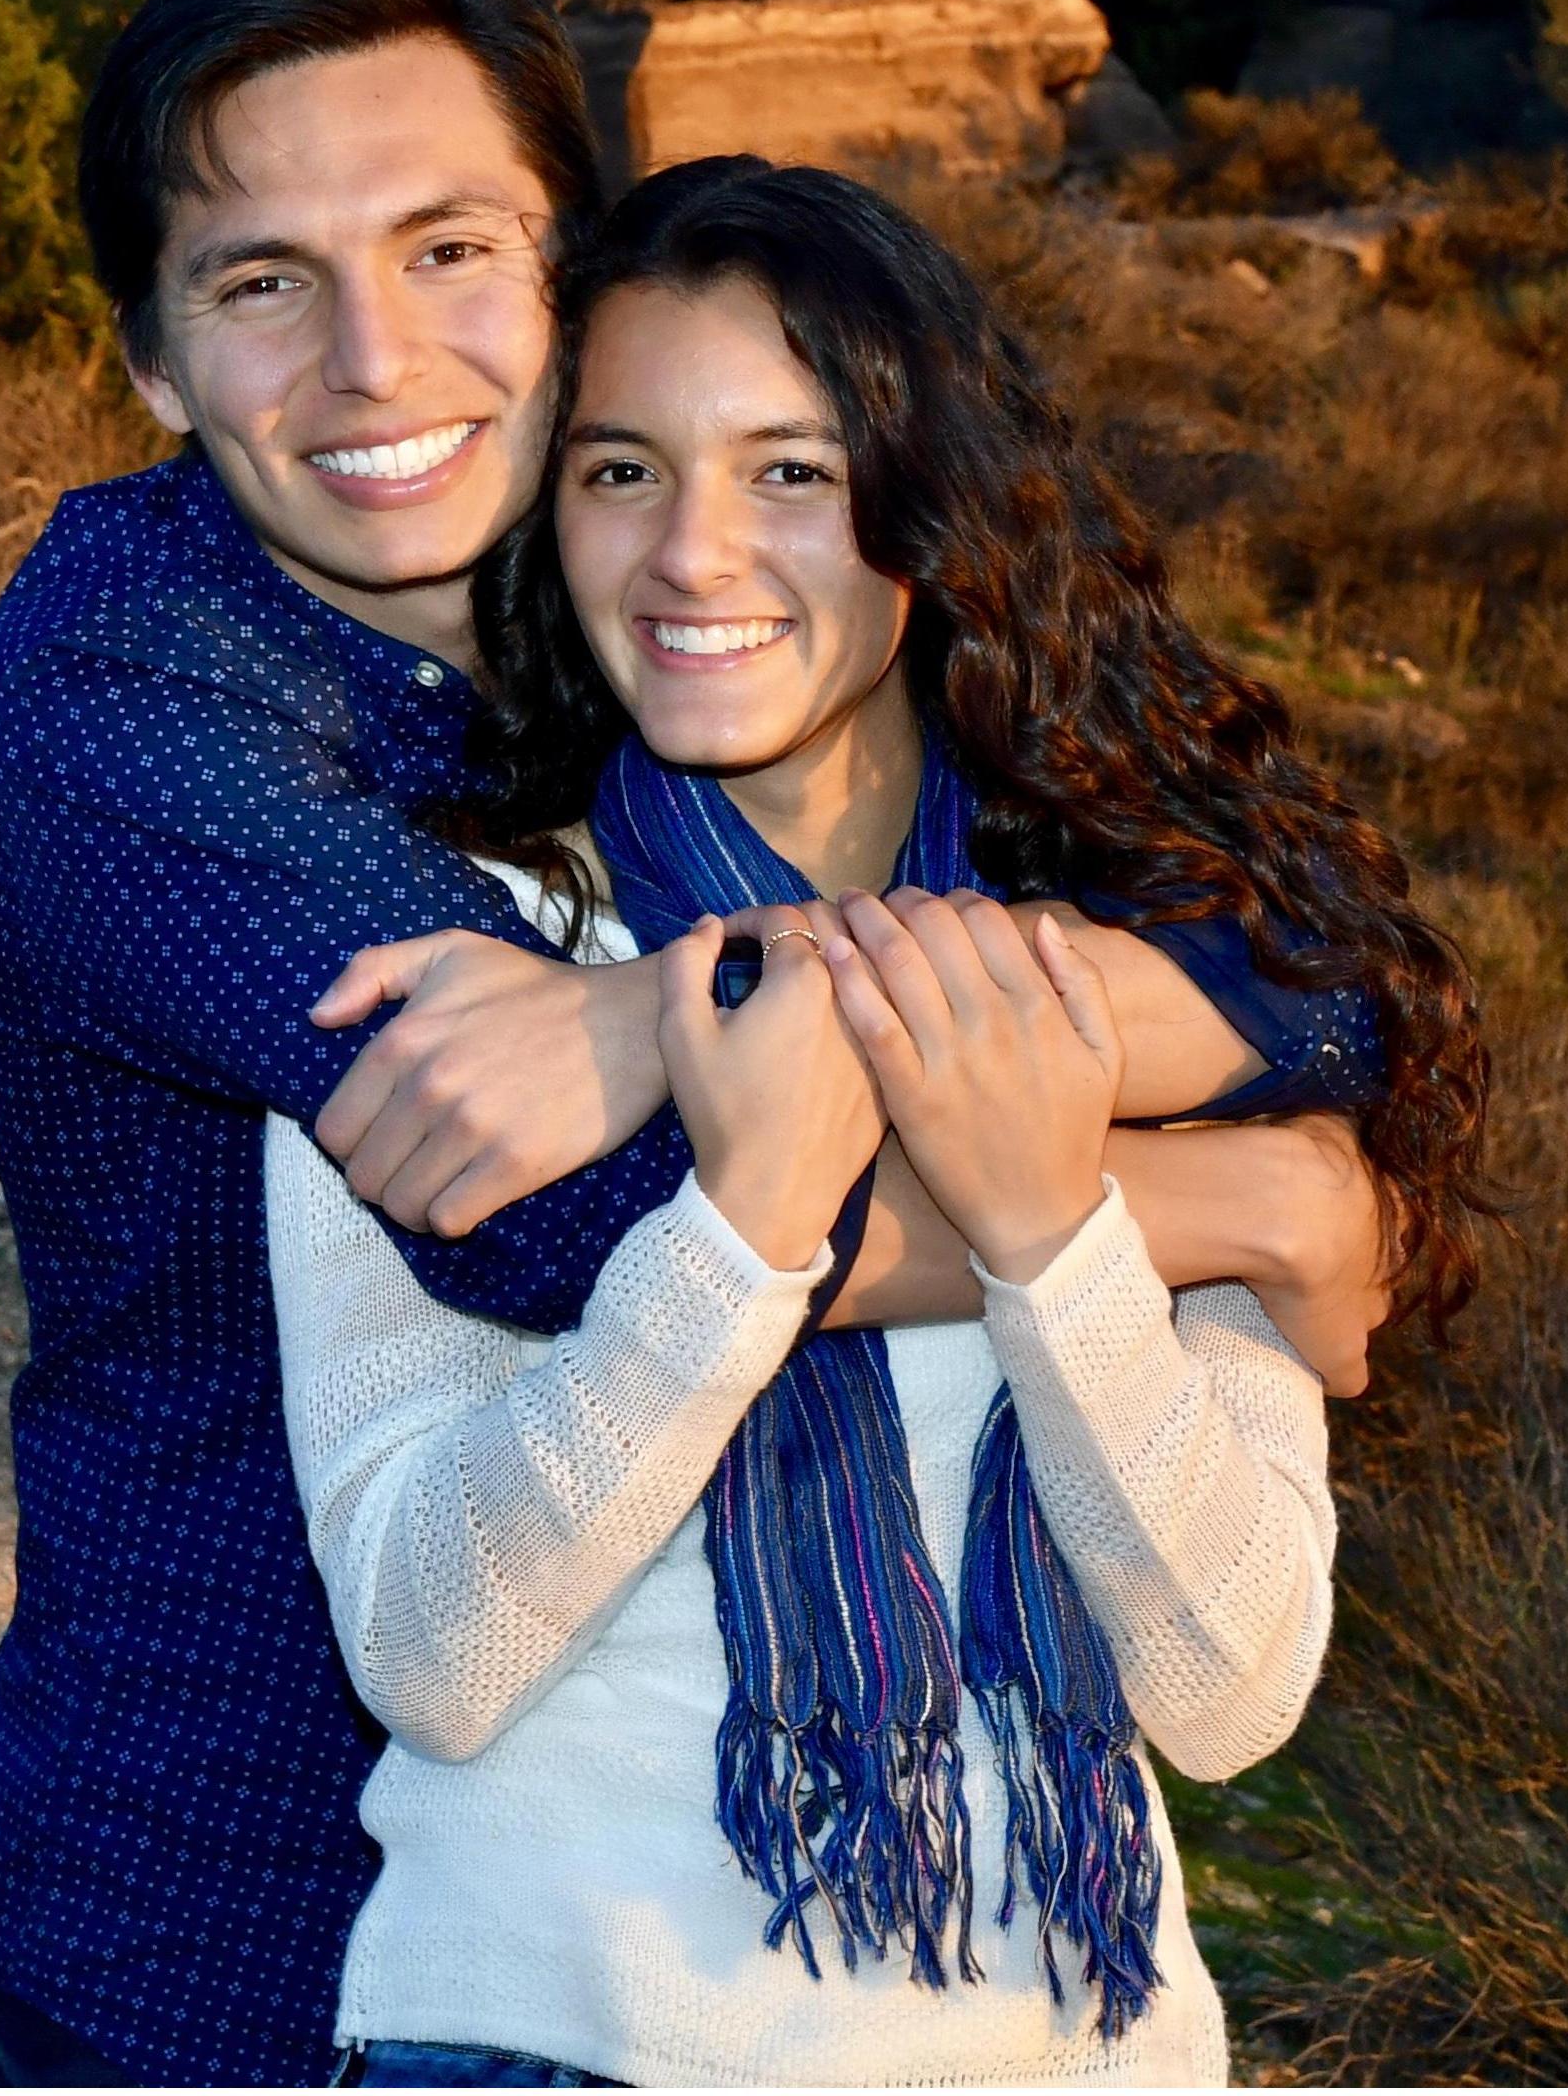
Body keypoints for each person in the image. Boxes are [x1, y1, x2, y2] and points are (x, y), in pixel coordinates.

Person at [0, 0, 1397, 2087]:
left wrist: (666, 1014)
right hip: (236, 1916)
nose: (373, 361)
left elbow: (1310, 997)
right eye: (262, 282)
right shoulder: (137, 698)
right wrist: (1233, 1203)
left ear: (566, 274)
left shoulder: (600, 687)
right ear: (154, 363)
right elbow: (570, 1211)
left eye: (450, 248)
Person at [263, 156, 1489, 2086]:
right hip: (555, 2036)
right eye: (621, 469)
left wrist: (1054, 1235)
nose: (692, 555)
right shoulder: (463, 976)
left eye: (792, 472)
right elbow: (431, 1652)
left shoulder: (1130, 1009)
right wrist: (739, 1235)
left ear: (927, 511)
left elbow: (1231, 1688)